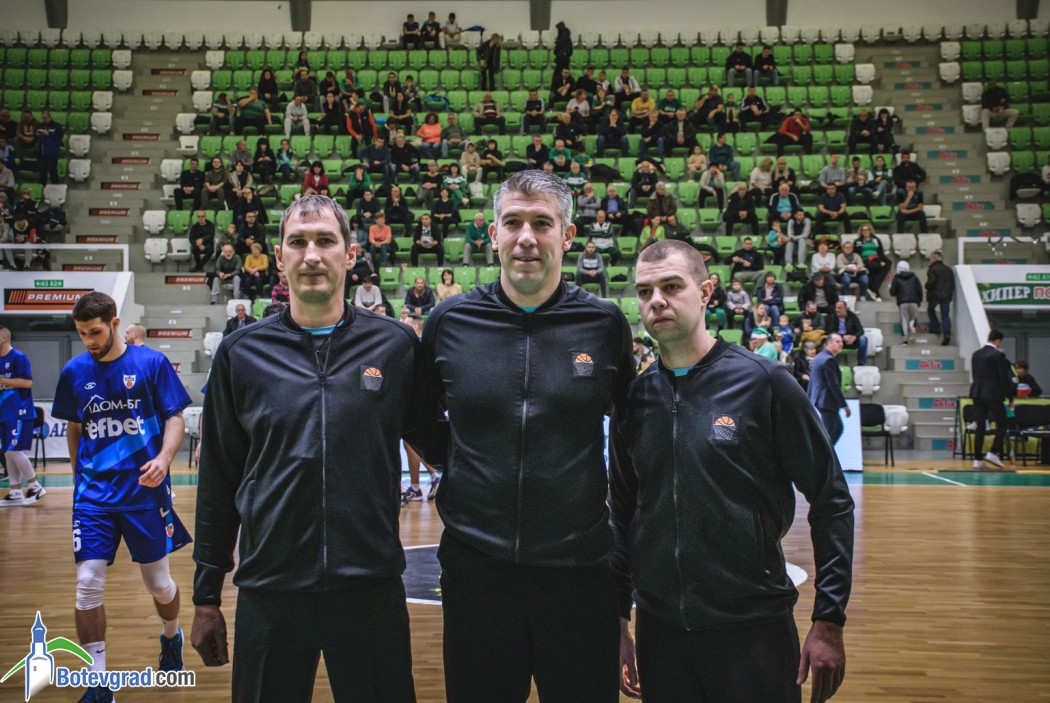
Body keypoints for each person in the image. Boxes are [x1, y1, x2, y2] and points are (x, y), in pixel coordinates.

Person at [191, 195, 424, 702]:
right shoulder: (241, 352)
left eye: (325, 241)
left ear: (351, 254)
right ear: (279, 257)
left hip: (370, 587)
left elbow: (445, 444)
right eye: (297, 242)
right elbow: (218, 477)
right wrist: (206, 594)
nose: (311, 254)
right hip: (269, 589)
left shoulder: (395, 346)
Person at [417, 170, 634, 703]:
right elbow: (419, 418)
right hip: (477, 570)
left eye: (542, 223)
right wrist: (466, 464)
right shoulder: (450, 320)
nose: (526, 238)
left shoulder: (604, 323)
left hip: (579, 573)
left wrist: (624, 586)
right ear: (493, 234)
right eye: (513, 222)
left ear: (568, 235)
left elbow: (631, 440)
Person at [612, 240, 853, 703]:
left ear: (706, 292)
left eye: (671, 286)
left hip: (754, 630)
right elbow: (621, 514)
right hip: (662, 634)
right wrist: (619, 620)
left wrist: (829, 618)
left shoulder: (765, 382)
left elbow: (831, 499)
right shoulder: (634, 400)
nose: (656, 300)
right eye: (644, 292)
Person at [50, 292, 192, 703]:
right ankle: (98, 684)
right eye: (82, 334)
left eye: (95, 332)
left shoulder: (151, 363)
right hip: (94, 497)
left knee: (158, 584)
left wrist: (164, 459)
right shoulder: (74, 371)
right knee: (87, 583)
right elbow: (74, 426)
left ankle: (171, 636)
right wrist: (77, 474)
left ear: (115, 323)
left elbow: (175, 417)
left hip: (145, 492)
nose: (89, 341)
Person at [0, 327, 45, 506]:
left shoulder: (18, 357)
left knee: (13, 451)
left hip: (19, 411)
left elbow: (27, 382)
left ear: (4, 338)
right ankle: (15, 491)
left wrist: (3, 380)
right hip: (4, 412)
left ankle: (35, 485)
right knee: (7, 452)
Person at [968, 329, 1016, 470]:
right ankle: (993, 452)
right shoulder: (998, 355)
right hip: (993, 394)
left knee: (980, 425)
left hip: (977, 393)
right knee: (1003, 422)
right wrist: (1010, 396)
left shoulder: (976, 354)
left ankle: (977, 459)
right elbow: (1004, 378)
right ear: (998, 341)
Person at [808, 332, 851, 443]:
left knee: (837, 429)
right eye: (838, 341)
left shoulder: (819, 356)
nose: (841, 344)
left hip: (820, 399)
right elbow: (833, 384)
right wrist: (844, 405)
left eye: (841, 341)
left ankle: (826, 453)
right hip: (827, 401)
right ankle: (822, 454)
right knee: (829, 435)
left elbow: (813, 380)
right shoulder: (828, 360)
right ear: (829, 343)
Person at [824, 300, 868, 365]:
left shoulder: (852, 316)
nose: (837, 310)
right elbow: (830, 331)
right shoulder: (832, 317)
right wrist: (842, 337)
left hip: (852, 340)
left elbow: (860, 330)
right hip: (838, 340)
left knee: (863, 339)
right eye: (836, 308)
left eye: (839, 308)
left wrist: (855, 337)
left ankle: (861, 363)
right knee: (831, 339)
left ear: (845, 308)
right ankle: (832, 363)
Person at [925, 250, 954, 345]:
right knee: (945, 315)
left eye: (931, 258)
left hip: (935, 295)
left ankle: (935, 327)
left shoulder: (933, 269)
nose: (930, 260)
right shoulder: (948, 269)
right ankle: (947, 334)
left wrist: (927, 286)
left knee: (931, 310)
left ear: (934, 258)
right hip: (946, 295)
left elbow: (931, 282)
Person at [889, 261, 922, 345]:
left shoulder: (896, 278)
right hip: (914, 301)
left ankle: (905, 340)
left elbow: (893, 292)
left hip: (903, 302)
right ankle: (912, 328)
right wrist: (919, 301)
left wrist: (890, 288)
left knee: (904, 320)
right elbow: (919, 290)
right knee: (913, 318)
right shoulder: (914, 277)